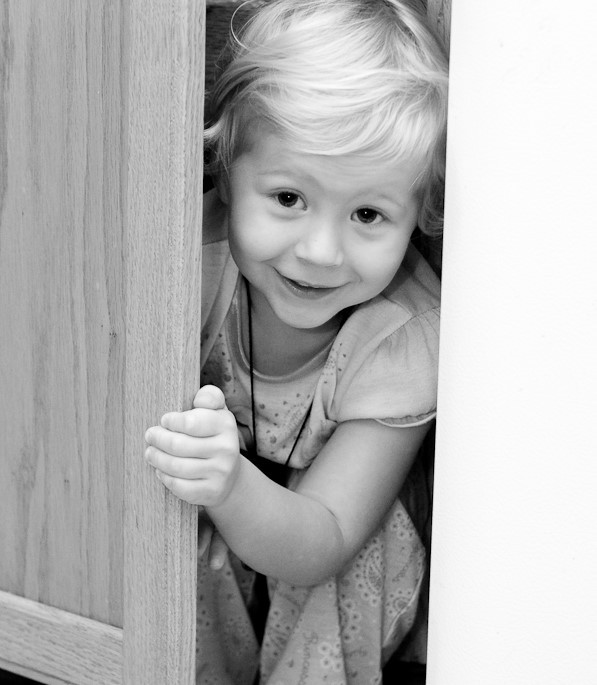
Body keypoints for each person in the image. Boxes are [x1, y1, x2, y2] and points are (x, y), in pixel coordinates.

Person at [144, 0, 448, 682]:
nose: (318, 251)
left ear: (422, 211)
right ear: (225, 168)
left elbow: (327, 537)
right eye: (287, 198)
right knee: (168, 503)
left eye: (367, 213)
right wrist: (205, 485)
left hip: (320, 559)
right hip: (207, 530)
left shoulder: (400, 339)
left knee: (355, 562)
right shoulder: (187, 259)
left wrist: (230, 487)